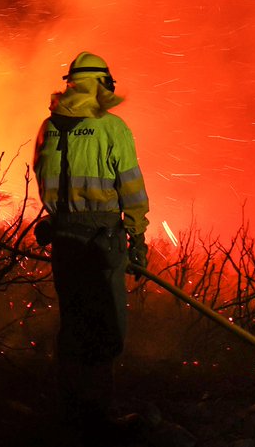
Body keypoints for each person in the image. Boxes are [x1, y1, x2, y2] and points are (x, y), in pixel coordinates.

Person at [32, 51, 150, 435]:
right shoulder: (111, 128)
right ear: (101, 84)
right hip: (102, 239)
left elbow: (42, 176)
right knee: (106, 326)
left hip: (64, 238)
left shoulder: (48, 126)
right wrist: (137, 235)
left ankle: (69, 409)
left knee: (74, 323)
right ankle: (99, 416)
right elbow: (130, 185)